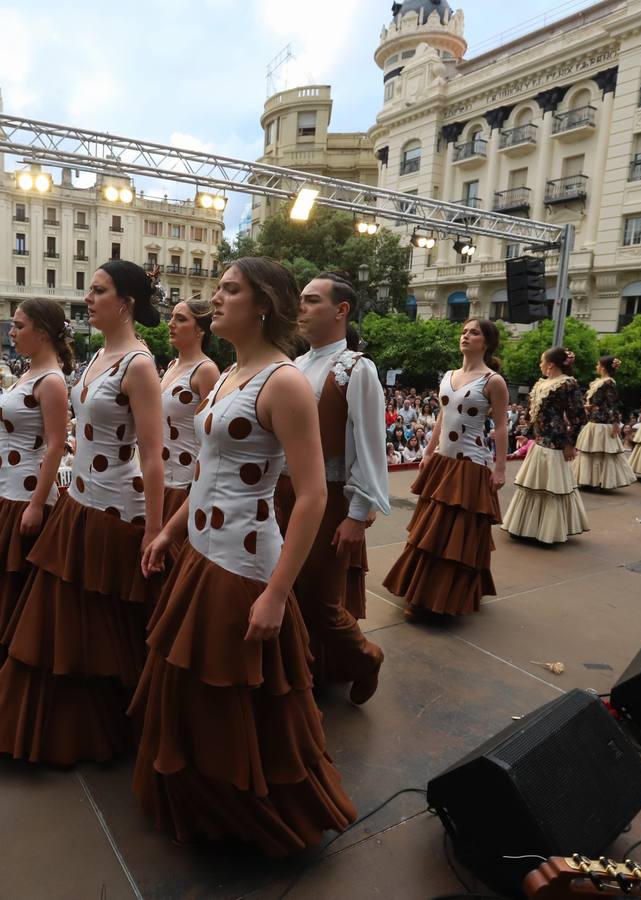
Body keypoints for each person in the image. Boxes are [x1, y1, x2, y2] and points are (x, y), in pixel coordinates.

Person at [131, 257, 355, 856]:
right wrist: (171, 532)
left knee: (236, 694)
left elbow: (312, 495)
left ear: (264, 305)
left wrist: (278, 593)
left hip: (244, 564)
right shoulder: (231, 373)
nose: (216, 298)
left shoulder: (283, 382)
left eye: (230, 289)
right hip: (203, 553)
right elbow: (208, 471)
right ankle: (206, 800)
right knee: (198, 688)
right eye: (219, 288)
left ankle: (244, 812)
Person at [0, 260, 166, 765]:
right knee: (66, 622)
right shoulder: (100, 356)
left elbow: (152, 454)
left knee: (102, 626)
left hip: (115, 510)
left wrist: (156, 530)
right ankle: (66, 724)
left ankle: (97, 725)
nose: (88, 298)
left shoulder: (139, 365)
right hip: (78, 503)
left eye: (98, 291)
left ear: (125, 302)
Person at [0, 299, 71, 704]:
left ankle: (13, 680)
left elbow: (56, 446)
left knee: (16, 587)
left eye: (18, 326)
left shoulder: (51, 381)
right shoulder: (29, 373)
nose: (11, 332)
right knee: (0, 584)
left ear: (41, 331)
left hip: (28, 496)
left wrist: (38, 504)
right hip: (8, 491)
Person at [278, 273, 387, 703]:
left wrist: (358, 514)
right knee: (284, 588)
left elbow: (369, 445)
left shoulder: (356, 369)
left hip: (329, 496)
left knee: (322, 599)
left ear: (341, 310)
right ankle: (302, 672)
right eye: (300, 300)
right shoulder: (293, 365)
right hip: (282, 493)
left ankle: (366, 656)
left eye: (311, 300)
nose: (300, 308)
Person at [384, 319, 507, 615]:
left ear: (487, 342)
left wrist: (500, 467)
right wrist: (427, 451)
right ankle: (426, 592)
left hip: (471, 463)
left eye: (474, 332)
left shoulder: (493, 381)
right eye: (464, 331)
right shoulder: (449, 375)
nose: (466, 336)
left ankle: (437, 598)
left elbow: (501, 427)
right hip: (443, 461)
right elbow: (443, 415)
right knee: (431, 529)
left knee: (455, 533)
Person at [502, 347, 587, 545]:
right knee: (532, 486)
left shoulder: (568, 384)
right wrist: (526, 435)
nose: (540, 364)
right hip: (540, 442)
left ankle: (548, 532)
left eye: (542, 361)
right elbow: (535, 414)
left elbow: (578, 417)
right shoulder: (541, 383)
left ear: (550, 364)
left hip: (556, 444)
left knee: (551, 488)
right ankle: (524, 527)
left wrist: (570, 444)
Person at [159, 298, 219, 524]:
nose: (170, 324)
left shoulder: (206, 370)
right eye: (172, 317)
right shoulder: (173, 366)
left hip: (184, 485)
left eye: (180, 319)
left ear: (200, 331)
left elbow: (211, 434)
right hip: (161, 480)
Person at [573, 355, 636, 491]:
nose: (596, 367)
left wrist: (615, 423)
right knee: (591, 452)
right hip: (595, 421)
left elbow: (613, 404)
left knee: (600, 454)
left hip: (602, 422)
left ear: (602, 367)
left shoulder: (608, 383)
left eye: (597, 364)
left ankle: (599, 481)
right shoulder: (600, 382)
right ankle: (589, 480)